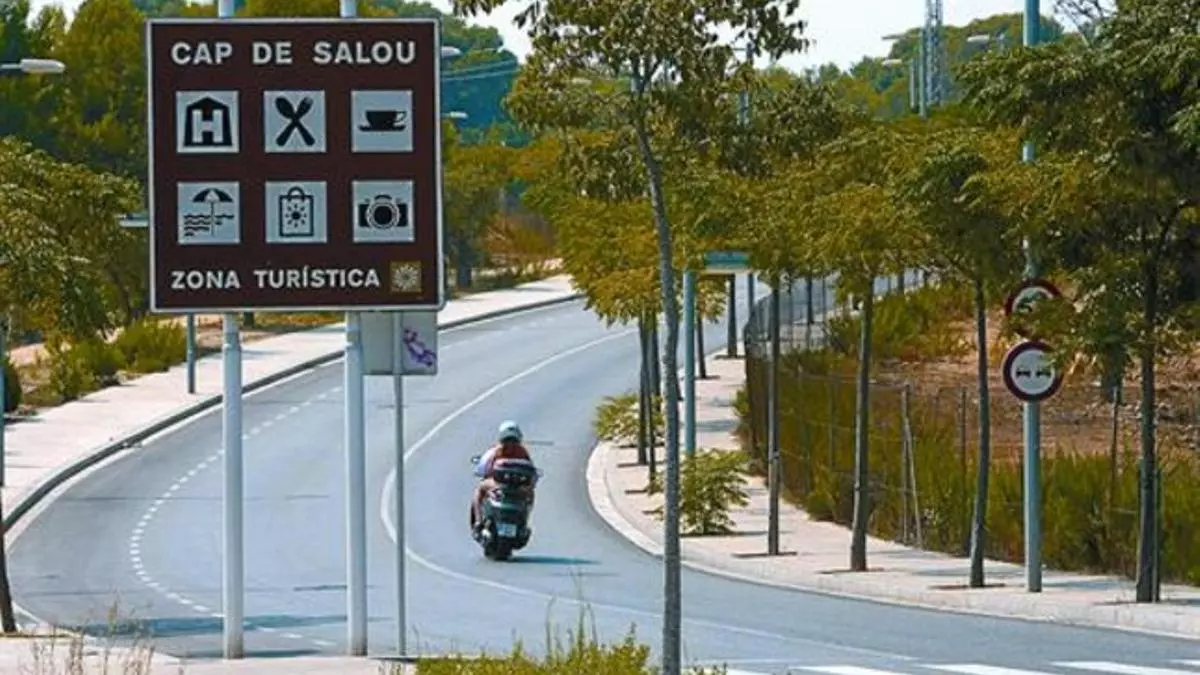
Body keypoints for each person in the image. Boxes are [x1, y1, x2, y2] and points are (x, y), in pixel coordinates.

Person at [471, 420, 536, 534]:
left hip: (498, 485)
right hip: (519, 488)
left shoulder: (496, 451)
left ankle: (478, 521)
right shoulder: (522, 452)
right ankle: (524, 523)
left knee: (479, 490)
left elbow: (484, 468)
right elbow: (531, 472)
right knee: (530, 495)